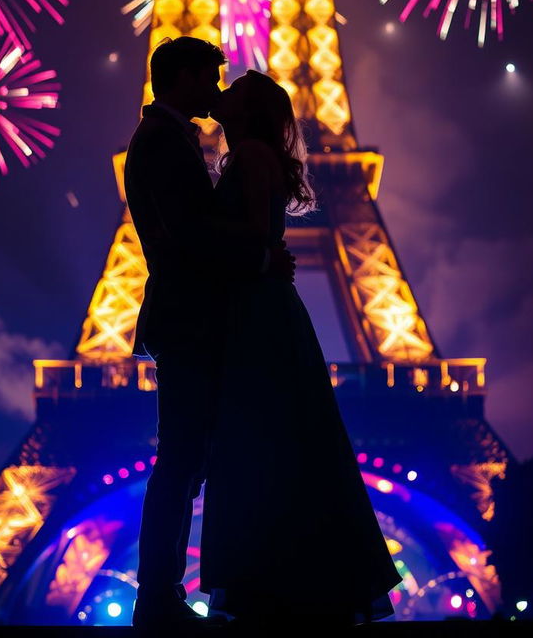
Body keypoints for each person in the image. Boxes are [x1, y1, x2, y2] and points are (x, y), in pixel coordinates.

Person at [199, 69, 402, 629]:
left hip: (258, 310)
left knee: (260, 445)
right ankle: (296, 579)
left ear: (251, 110)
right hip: (264, 307)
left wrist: (249, 258)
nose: (226, 87)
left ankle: (270, 581)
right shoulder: (253, 154)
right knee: (284, 445)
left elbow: (251, 237)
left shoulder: (251, 157)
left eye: (237, 87)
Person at [125, 38, 295, 632]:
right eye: (212, 77)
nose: (218, 90)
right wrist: (260, 261)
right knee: (181, 461)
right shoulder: (163, 142)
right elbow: (192, 233)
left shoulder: (170, 139)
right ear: (187, 76)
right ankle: (160, 596)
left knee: (188, 460)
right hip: (192, 321)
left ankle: (166, 593)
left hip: (196, 318)